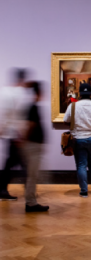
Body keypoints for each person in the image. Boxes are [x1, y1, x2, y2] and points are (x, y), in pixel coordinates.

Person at [64, 83, 91, 197]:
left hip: (78, 139)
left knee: (81, 165)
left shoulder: (73, 106)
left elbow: (65, 121)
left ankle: (84, 191)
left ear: (80, 93)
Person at [0, 69, 30, 201]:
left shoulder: (5, 91)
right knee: (23, 164)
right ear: (22, 79)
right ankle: (30, 194)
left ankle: (3, 190)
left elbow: (4, 113)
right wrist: (21, 134)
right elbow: (21, 116)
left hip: (10, 134)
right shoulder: (21, 93)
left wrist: (3, 129)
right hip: (16, 135)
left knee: (11, 163)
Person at [24, 81, 49, 212]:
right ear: (37, 93)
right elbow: (30, 125)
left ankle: (31, 200)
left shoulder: (32, 106)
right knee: (32, 175)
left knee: (32, 175)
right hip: (33, 145)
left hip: (33, 145)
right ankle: (31, 203)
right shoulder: (32, 107)